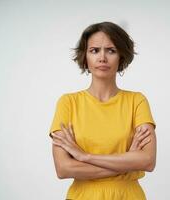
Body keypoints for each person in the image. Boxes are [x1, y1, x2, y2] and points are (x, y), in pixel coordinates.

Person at [49, 21, 157, 200]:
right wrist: (128, 161)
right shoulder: (68, 103)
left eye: (111, 50)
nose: (102, 58)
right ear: (85, 57)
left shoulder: (137, 101)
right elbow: (63, 168)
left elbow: (147, 161)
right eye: (94, 50)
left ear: (121, 56)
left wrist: (84, 156)